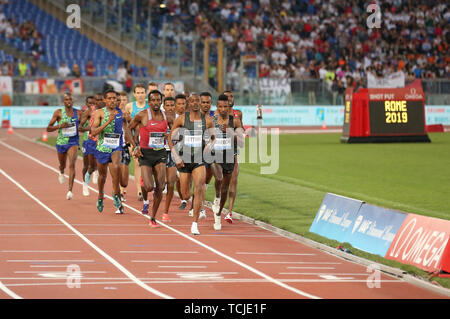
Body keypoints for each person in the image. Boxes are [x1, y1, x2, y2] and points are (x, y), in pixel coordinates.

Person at [168, 93, 215, 235]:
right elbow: (170, 138)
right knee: (186, 194)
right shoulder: (182, 119)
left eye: (197, 101)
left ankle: (195, 223)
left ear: (200, 103)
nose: (195, 103)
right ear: (189, 103)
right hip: (184, 160)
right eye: (192, 101)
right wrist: (176, 156)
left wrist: (210, 146)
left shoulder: (207, 121)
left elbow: (213, 138)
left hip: (199, 159)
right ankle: (186, 195)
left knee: (199, 186)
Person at [129, 90, 169, 228]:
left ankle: (153, 217)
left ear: (161, 101)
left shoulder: (167, 116)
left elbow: (174, 130)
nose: (156, 103)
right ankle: (145, 196)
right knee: (149, 186)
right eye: (153, 100)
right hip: (145, 154)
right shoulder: (142, 115)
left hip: (160, 154)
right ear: (149, 101)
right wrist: (135, 146)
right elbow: (128, 129)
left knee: (161, 186)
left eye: (158, 100)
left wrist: (171, 136)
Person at [91, 89, 134, 214]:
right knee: (103, 176)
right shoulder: (100, 113)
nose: (112, 100)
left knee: (116, 167)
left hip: (116, 146)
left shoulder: (122, 114)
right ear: (105, 100)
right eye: (109, 98)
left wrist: (134, 145)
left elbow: (127, 132)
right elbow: (93, 132)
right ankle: (100, 195)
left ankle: (116, 193)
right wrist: (108, 121)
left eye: (114, 98)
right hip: (102, 147)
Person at [210, 94, 244, 230]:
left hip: (229, 157)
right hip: (215, 156)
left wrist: (230, 132)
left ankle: (218, 214)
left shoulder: (235, 122)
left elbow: (241, 142)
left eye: (225, 106)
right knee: (218, 178)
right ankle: (216, 197)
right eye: (220, 106)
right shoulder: (211, 121)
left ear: (228, 106)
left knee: (225, 188)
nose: (223, 109)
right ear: (217, 107)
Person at [46, 93, 80, 200]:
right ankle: (61, 171)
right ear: (63, 101)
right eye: (66, 99)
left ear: (73, 100)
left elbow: (84, 124)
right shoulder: (59, 112)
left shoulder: (78, 113)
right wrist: (60, 125)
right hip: (61, 142)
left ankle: (70, 190)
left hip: (73, 142)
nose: (68, 101)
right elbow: (48, 128)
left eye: (70, 99)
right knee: (62, 165)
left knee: (72, 164)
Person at [124, 84, 149, 201]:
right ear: (134, 94)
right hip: (135, 140)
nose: (140, 95)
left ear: (145, 93)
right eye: (138, 93)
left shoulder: (150, 105)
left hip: (149, 140)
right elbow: (127, 124)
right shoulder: (129, 106)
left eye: (142, 92)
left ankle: (147, 184)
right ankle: (139, 190)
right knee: (138, 163)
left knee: (149, 165)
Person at [222, 90, 242, 223]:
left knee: (234, 180)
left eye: (231, 96)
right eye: (227, 97)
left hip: (233, 151)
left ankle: (229, 212)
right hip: (218, 152)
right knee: (220, 182)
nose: (230, 99)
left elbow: (241, 133)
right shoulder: (217, 115)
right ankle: (216, 204)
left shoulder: (238, 114)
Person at [161, 96, 177, 222]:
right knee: (160, 185)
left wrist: (172, 134)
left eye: (172, 105)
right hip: (158, 152)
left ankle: (166, 212)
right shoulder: (158, 117)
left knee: (171, 183)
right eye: (168, 105)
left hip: (172, 152)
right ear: (164, 106)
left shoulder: (180, 119)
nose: (170, 107)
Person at [78, 95, 96, 196]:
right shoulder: (86, 113)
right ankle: (84, 184)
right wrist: (89, 129)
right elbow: (80, 128)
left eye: (94, 103)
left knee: (96, 163)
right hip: (86, 140)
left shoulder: (100, 112)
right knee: (86, 165)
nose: (92, 105)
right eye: (90, 103)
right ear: (86, 104)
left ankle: (95, 171)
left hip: (97, 140)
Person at [174, 93, 188, 209]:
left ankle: (184, 199)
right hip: (173, 151)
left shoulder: (190, 117)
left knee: (187, 176)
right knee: (177, 178)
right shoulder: (171, 117)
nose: (181, 106)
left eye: (183, 104)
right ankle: (182, 197)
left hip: (187, 152)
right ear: (175, 105)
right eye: (179, 104)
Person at [118, 91, 131, 202]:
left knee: (124, 171)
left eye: (124, 100)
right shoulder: (111, 113)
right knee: (115, 170)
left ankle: (121, 191)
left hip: (124, 146)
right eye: (120, 100)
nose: (122, 102)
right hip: (112, 147)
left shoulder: (128, 115)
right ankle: (118, 192)